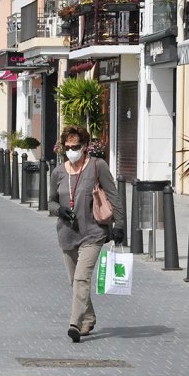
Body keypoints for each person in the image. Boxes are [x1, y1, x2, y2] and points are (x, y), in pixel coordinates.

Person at [48, 125, 125, 343]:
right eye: (68, 146)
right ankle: (89, 317)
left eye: (76, 146)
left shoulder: (97, 166)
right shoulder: (58, 172)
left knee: (82, 278)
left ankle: (76, 323)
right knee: (75, 281)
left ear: (85, 146)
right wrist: (59, 210)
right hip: (67, 233)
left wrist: (119, 224)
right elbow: (51, 201)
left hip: (93, 233)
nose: (71, 150)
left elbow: (114, 196)